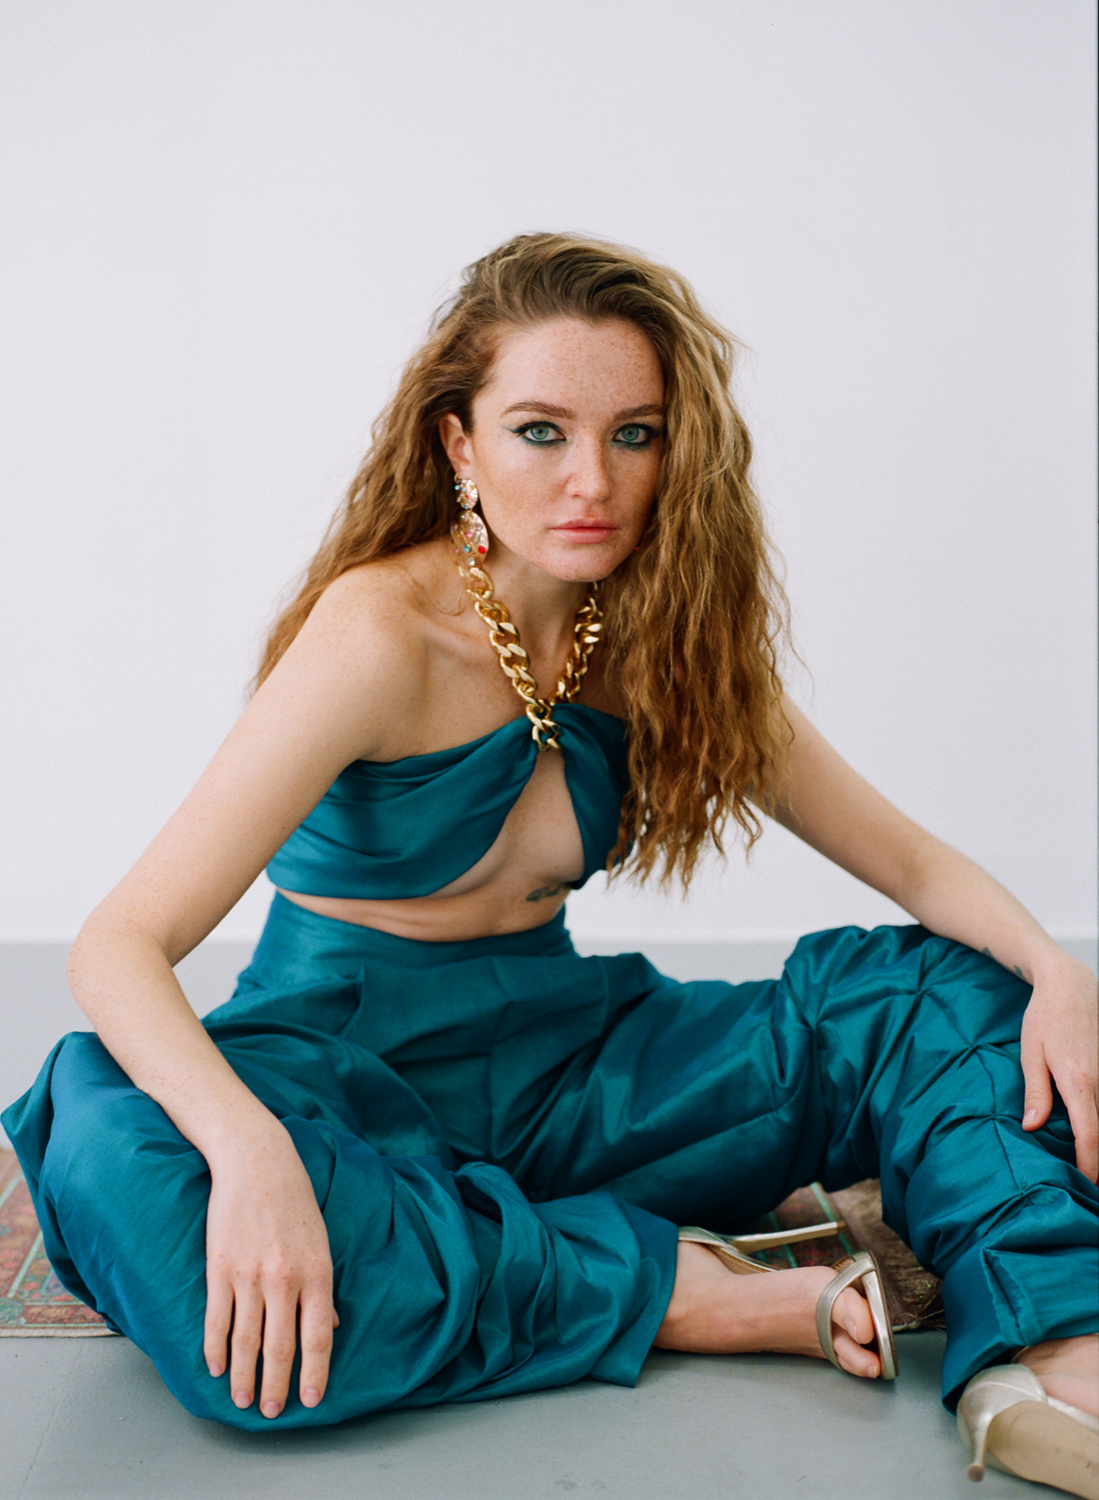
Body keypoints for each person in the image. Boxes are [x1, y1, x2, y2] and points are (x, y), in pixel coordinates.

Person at [5, 233, 1097, 1494]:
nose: (593, 481)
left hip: (576, 1075)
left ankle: (1052, 1346)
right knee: (120, 1161)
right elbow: (118, 947)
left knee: (940, 997)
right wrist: (252, 1156)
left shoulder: (656, 635)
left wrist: (1052, 968)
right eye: (540, 432)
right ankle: (672, 1292)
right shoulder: (377, 633)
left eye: (634, 434)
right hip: (342, 1079)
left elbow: (902, 855)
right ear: (459, 444)